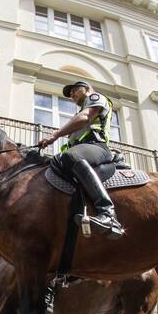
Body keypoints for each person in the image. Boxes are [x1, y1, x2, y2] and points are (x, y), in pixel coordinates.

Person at [36, 80, 124, 238]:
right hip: (85, 152)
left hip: (98, 149)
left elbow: (86, 117)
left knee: (71, 156)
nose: (72, 95)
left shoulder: (96, 98)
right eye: (70, 94)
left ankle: (108, 214)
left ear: (87, 88)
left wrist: (54, 135)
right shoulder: (78, 114)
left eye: (74, 90)